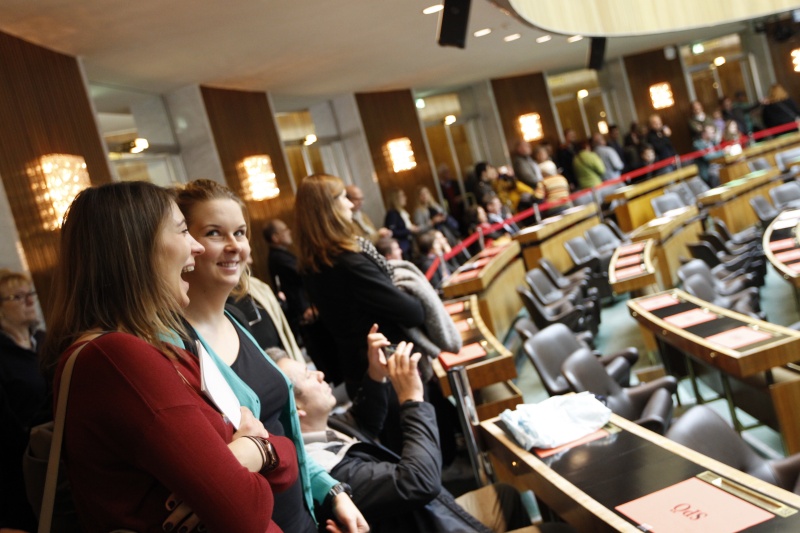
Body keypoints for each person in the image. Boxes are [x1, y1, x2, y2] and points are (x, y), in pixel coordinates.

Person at [41, 181, 296, 532]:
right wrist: (255, 449)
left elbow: (287, 461)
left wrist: (249, 454)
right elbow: (245, 512)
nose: (196, 247)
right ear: (137, 249)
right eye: (183, 231)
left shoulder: (157, 349)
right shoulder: (117, 358)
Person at [175, 179, 368, 533]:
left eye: (240, 232)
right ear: (187, 244)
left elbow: (280, 430)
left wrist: (332, 491)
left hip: (303, 516)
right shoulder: (174, 344)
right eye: (215, 233)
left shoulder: (235, 319)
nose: (234, 245)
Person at [271, 333, 554, 533]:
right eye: (308, 375)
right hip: (429, 522)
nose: (320, 374)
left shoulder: (322, 429)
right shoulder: (330, 472)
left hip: (431, 516)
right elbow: (417, 481)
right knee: (557, 530)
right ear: (297, 408)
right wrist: (412, 400)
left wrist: (376, 374)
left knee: (506, 495)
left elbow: (360, 421)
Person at [296, 174, 425, 398]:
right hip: (386, 375)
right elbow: (413, 313)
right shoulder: (347, 262)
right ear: (328, 208)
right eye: (343, 197)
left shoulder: (312, 261)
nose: (349, 204)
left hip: (357, 371)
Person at [0, 270, 47, 533]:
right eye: (18, 297)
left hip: (59, 454)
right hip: (20, 470)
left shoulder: (44, 341)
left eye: (30, 294)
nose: (30, 300)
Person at [264, 218, 314, 338]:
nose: (289, 232)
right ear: (275, 237)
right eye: (285, 230)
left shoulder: (280, 254)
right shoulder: (278, 258)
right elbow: (303, 274)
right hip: (303, 310)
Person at [383, 188, 417, 259]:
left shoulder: (401, 212)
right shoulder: (392, 214)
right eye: (402, 195)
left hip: (408, 245)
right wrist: (409, 230)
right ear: (396, 199)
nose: (405, 198)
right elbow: (392, 232)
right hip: (401, 247)